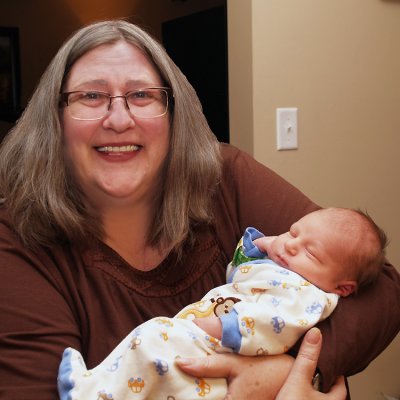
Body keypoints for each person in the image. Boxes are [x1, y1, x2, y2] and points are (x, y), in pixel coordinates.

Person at [0, 19, 399, 399]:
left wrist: (289, 371)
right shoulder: (15, 242)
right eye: (90, 96)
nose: (119, 119)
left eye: (141, 95)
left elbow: (381, 290)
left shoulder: (226, 178)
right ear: (55, 119)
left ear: (174, 114)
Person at [57, 207, 386, 399]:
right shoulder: (285, 269)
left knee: (152, 339)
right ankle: (93, 388)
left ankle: (92, 392)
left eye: (310, 251)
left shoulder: (308, 296)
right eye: (293, 232)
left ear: (342, 287)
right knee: (150, 358)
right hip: (206, 343)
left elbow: (276, 324)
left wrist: (228, 327)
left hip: (220, 348)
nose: (291, 246)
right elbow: (238, 275)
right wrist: (264, 247)